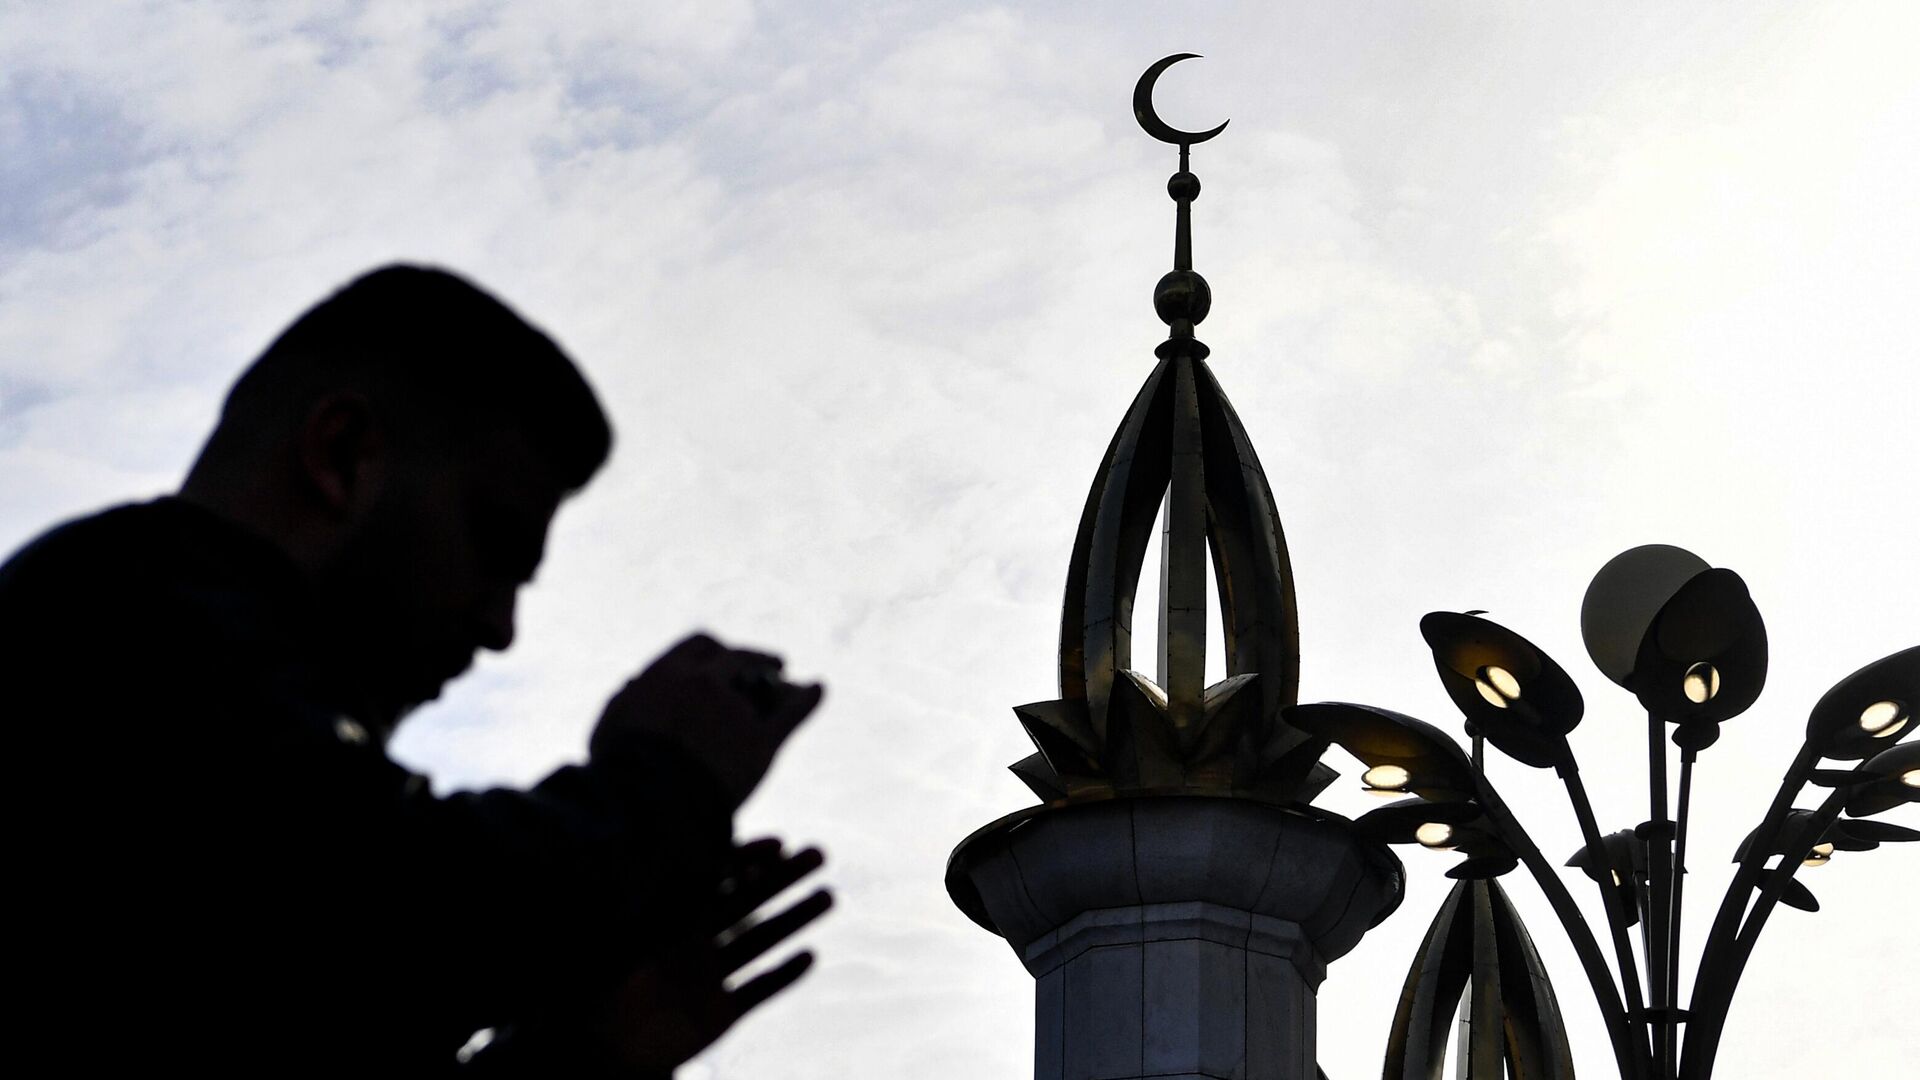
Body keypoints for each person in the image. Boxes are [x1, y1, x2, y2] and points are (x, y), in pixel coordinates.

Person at [1, 265, 830, 1075]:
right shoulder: (111, 616)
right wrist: (665, 787)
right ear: (341, 454)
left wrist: (576, 1055)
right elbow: (369, 914)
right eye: (494, 549)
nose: (499, 628)